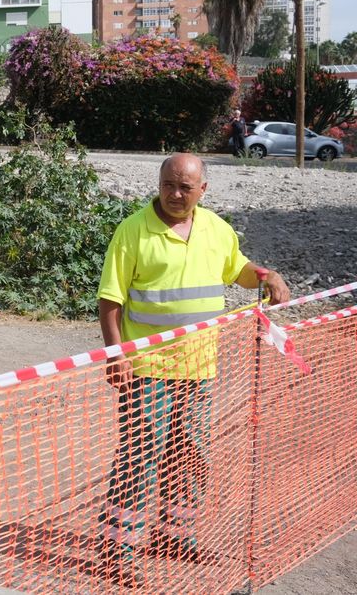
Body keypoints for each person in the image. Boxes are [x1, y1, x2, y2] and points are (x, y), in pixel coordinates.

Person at [94, 153, 289, 586]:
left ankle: (173, 535)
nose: (176, 194)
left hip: (200, 367)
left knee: (189, 454)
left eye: (185, 187)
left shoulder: (216, 229)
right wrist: (116, 354)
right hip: (147, 368)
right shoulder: (132, 232)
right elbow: (111, 300)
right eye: (169, 185)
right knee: (140, 457)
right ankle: (116, 549)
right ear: (159, 184)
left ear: (203, 190)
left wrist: (266, 274)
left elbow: (237, 269)